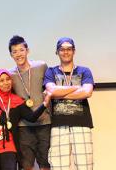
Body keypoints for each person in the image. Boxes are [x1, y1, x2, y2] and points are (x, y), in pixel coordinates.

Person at [43, 37, 94, 170]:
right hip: (58, 125)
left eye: (69, 49)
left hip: (82, 124)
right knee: (59, 166)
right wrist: (77, 88)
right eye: (62, 49)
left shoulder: (84, 71)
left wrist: (58, 93)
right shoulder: (51, 71)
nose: (66, 52)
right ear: (57, 52)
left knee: (85, 166)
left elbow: (87, 92)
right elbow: (51, 90)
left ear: (74, 51)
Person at [8, 35, 51, 170]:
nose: (18, 54)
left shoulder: (41, 66)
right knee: (26, 165)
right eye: (14, 52)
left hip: (44, 122)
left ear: (27, 50)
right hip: (24, 125)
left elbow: (49, 86)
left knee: (45, 163)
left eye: (21, 50)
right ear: (11, 55)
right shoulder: (10, 75)